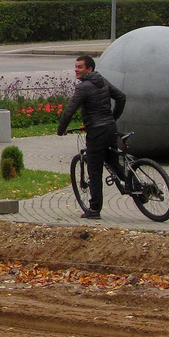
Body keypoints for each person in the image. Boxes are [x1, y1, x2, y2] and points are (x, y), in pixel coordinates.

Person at [57, 53, 127, 219]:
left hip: (96, 132)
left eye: (80, 67)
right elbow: (121, 97)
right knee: (114, 163)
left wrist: (61, 130)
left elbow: (69, 111)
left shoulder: (83, 87)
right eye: (75, 66)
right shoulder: (102, 81)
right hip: (110, 128)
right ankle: (138, 188)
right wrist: (113, 118)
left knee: (94, 171)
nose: (76, 70)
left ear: (90, 69)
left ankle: (94, 210)